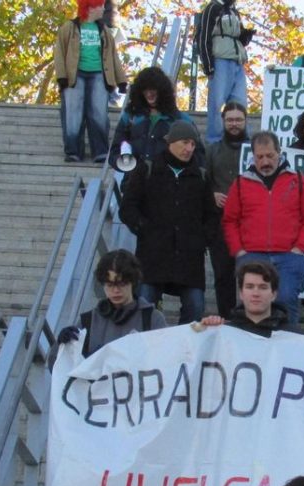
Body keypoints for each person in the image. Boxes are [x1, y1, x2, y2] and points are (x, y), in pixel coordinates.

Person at [54, 250, 166, 486]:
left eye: (121, 283)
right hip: (100, 431)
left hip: (138, 430)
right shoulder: (89, 320)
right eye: (108, 283)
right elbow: (75, 379)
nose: (114, 290)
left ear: (133, 282)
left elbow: (169, 367)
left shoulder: (152, 318)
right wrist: (67, 349)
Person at [119, 120, 218, 324]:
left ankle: (184, 353)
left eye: (192, 144)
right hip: (152, 256)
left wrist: (202, 238)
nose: (189, 148)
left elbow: (211, 215)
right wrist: (144, 229)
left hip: (190, 260)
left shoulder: (201, 176)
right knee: (144, 308)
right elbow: (128, 207)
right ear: (170, 142)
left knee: (195, 306)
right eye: (184, 142)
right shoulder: (147, 169)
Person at [222, 131, 304, 325]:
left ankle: (290, 348)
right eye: (260, 157)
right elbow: (229, 220)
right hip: (251, 256)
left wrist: (300, 248)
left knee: (285, 301)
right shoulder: (240, 184)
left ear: (279, 153)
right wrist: (239, 251)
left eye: (270, 155)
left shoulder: (298, 181)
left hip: (289, 257)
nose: (265, 161)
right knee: (251, 307)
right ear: (253, 156)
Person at [54, 0, 127, 162]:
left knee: (99, 113)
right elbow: (59, 53)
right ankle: (73, 151)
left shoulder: (104, 30)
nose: (103, 8)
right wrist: (61, 77)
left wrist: (121, 80)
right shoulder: (69, 28)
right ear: (89, 7)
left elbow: (113, 57)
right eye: (99, 5)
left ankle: (100, 151)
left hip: (99, 76)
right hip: (75, 76)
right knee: (73, 113)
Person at [200, 261, 304, 342]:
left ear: (274, 294)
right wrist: (204, 331)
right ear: (241, 293)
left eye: (263, 287)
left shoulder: (293, 336)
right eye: (249, 286)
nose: (255, 293)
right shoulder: (224, 332)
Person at [108, 67, 204, 178]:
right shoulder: (130, 117)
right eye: (145, 90)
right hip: (134, 185)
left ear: (162, 90)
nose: (149, 94)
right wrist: (125, 163)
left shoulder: (181, 119)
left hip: (168, 187)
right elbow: (115, 151)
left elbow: (198, 156)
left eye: (153, 89)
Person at [204, 101, 247, 317]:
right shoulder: (211, 152)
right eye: (230, 119)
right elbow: (203, 183)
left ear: (246, 121)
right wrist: (212, 194)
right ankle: (227, 318)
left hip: (250, 222)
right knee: (222, 274)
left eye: (238, 119)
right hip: (220, 223)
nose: (234, 124)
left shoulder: (255, 151)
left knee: (252, 273)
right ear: (223, 121)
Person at [197, 0, 255, 145]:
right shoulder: (212, 8)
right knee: (217, 104)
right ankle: (214, 142)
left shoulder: (234, 11)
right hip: (220, 61)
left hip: (238, 61)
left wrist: (245, 36)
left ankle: (242, 142)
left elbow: (237, 37)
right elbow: (203, 37)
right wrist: (208, 65)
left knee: (240, 103)